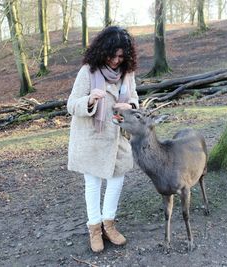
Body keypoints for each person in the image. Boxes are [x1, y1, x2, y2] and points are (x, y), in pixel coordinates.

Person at [67, 26, 139, 253]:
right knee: (93, 182)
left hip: (118, 136)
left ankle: (109, 223)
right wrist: (89, 100)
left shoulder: (127, 74)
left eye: (121, 56)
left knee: (117, 180)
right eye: (113, 55)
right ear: (103, 51)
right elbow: (71, 104)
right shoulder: (88, 72)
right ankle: (94, 229)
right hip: (92, 137)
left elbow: (135, 98)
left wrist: (131, 106)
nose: (117, 60)